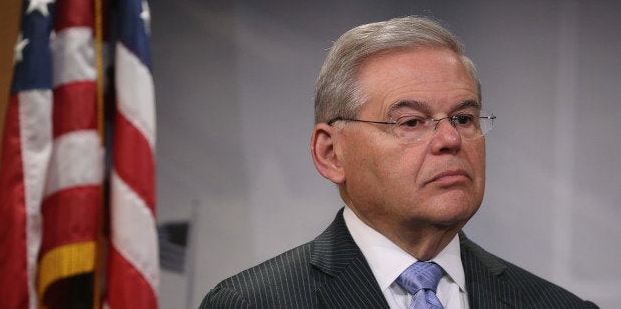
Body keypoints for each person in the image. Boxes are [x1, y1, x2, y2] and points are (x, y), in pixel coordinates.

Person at [200, 16, 597, 308]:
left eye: (463, 118)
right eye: (410, 122)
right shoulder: (252, 302)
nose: (450, 139)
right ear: (331, 153)